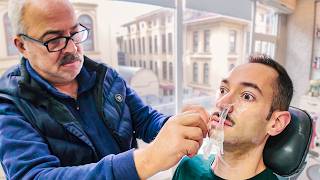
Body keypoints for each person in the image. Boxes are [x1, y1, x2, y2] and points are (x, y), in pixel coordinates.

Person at [0, 0, 209, 179]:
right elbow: (35, 176)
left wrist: (176, 125)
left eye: (75, 33)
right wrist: (146, 161)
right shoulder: (10, 103)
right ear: (22, 45)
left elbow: (145, 119)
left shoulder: (105, 76)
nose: (72, 48)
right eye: (54, 40)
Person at [173, 55, 293, 180]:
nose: (221, 103)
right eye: (223, 90)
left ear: (276, 123)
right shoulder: (187, 167)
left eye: (247, 96)